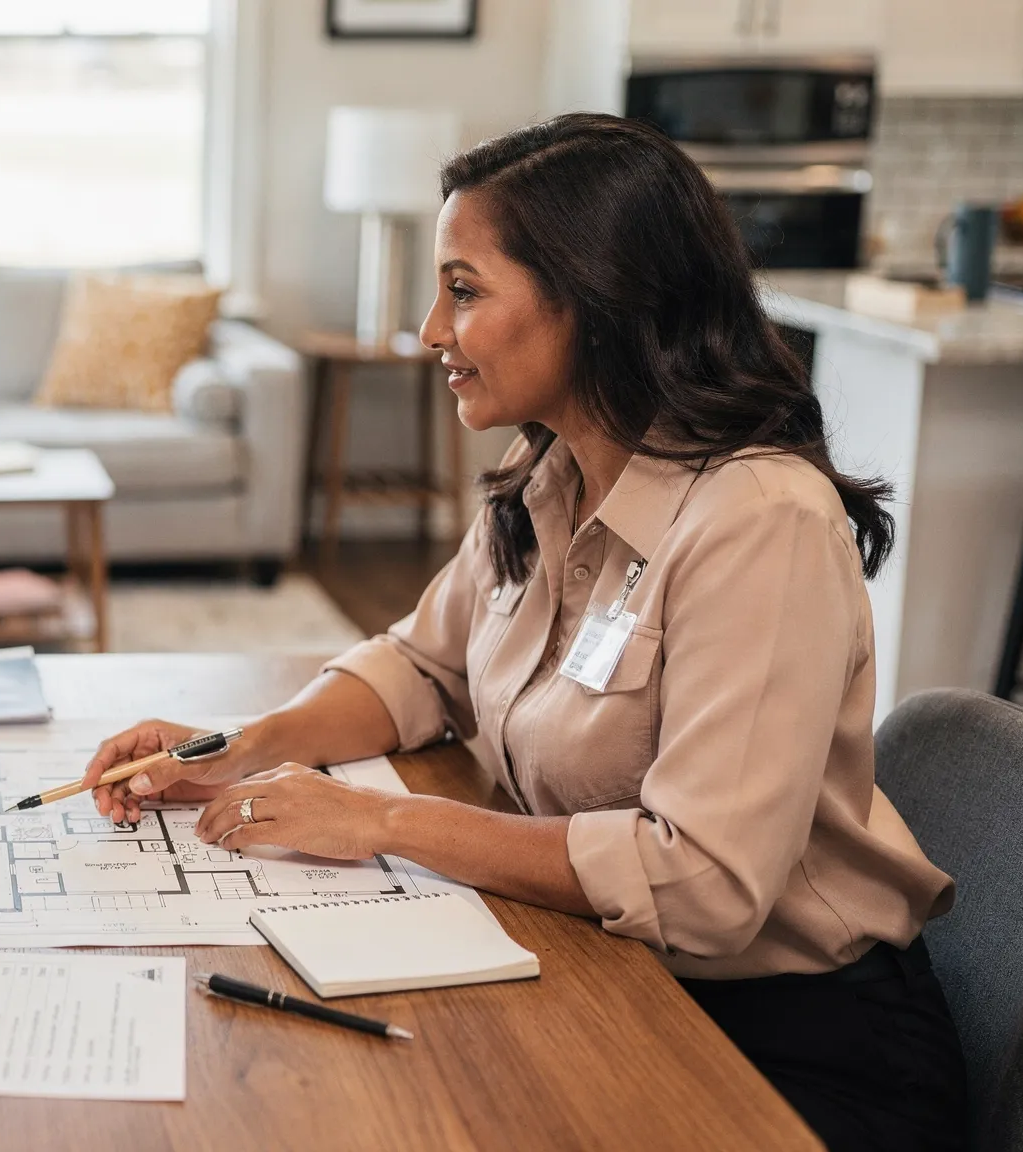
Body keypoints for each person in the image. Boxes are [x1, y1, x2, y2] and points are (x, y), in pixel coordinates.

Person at [81, 114, 965, 1152]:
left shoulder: (757, 522)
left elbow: (704, 886)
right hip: (612, 969)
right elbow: (421, 665)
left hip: (788, 1048)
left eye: (462, 289)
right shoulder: (549, 473)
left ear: (593, 301)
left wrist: (381, 824)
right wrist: (239, 751)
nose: (427, 331)